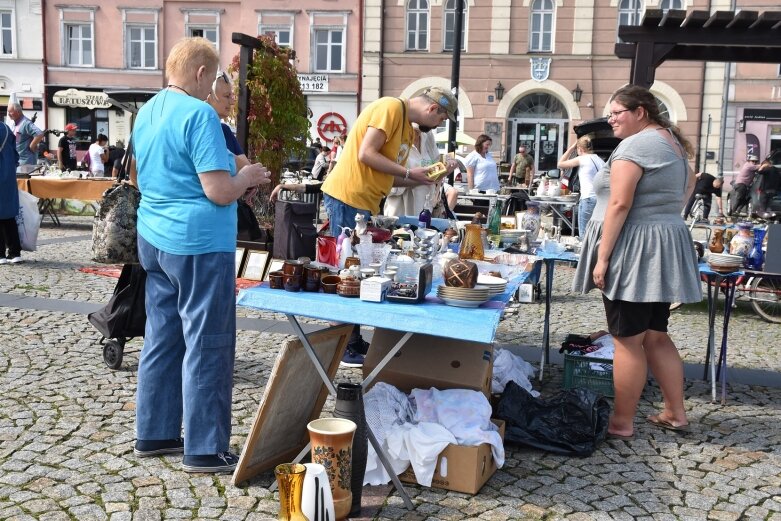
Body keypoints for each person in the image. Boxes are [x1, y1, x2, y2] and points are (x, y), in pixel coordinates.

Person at [131, 37, 271, 473]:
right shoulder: (199, 114)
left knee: (162, 338)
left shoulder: (147, 111)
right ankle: (206, 449)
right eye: (212, 78)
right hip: (198, 243)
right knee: (208, 343)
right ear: (200, 74)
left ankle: (154, 433)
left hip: (153, 238)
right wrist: (246, 175)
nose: (213, 86)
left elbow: (145, 176)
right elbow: (219, 191)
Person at [572, 85, 701, 439]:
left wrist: (603, 256)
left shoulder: (636, 145)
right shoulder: (671, 142)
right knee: (656, 336)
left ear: (640, 111)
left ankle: (621, 422)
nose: (610, 119)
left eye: (617, 112)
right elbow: (686, 189)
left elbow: (619, 204)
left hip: (633, 251)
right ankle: (675, 413)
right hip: (658, 246)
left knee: (627, 338)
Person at [320, 86, 456, 366]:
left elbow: (389, 176)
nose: (440, 126)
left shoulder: (407, 128)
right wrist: (409, 172)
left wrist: (424, 178)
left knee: (358, 269)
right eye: (442, 120)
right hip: (347, 196)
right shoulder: (391, 108)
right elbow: (366, 154)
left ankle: (352, 339)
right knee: (348, 268)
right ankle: (341, 344)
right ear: (433, 109)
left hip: (364, 200)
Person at [383, 124, 441, 217]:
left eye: (418, 132)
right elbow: (388, 184)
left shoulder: (427, 135)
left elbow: (436, 163)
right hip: (400, 210)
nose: (415, 135)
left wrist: (445, 169)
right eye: (413, 131)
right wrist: (416, 178)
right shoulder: (397, 139)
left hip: (426, 206)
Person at [557, 136, 606, 238]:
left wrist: (571, 148)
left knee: (584, 234)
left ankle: (584, 253)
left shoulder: (582, 159)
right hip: (601, 200)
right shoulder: (600, 160)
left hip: (587, 199)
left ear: (580, 148)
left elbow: (560, 164)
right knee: (596, 234)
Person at [0, 122, 23, 264]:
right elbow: (15, 155)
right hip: (8, 176)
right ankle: (15, 252)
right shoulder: (6, 128)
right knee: (8, 216)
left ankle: (0, 254)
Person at [7, 102, 44, 166]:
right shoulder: (14, 124)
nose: (9, 114)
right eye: (8, 112)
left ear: (18, 112)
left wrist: (32, 146)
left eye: (10, 112)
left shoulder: (26, 123)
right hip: (17, 160)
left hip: (26, 162)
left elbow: (39, 134)